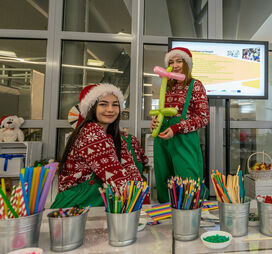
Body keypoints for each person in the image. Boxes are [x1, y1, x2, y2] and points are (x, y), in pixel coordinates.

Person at [51, 83, 145, 208]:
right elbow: (115, 176)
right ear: (91, 107)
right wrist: (141, 204)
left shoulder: (113, 135)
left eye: (115, 105)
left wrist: (142, 197)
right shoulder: (91, 132)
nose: (110, 109)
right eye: (103, 104)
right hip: (76, 206)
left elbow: (130, 168)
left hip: (93, 204)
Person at [151, 47, 209, 203]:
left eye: (179, 61)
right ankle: (166, 218)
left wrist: (177, 128)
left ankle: (189, 217)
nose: (174, 65)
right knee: (164, 179)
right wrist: (156, 122)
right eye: (171, 62)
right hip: (163, 138)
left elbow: (203, 118)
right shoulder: (166, 86)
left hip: (183, 139)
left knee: (187, 179)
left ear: (187, 64)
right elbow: (162, 111)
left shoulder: (195, 85)